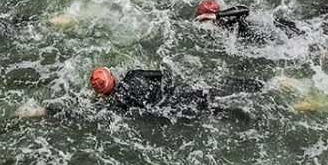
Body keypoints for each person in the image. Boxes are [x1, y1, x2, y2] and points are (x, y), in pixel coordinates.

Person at [86, 65, 262, 118]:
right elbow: (166, 75)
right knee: (221, 91)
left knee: (217, 112)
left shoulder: (116, 103)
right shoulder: (134, 75)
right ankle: (260, 86)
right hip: (179, 94)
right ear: (112, 77)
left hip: (173, 112)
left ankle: (251, 115)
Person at [194, 0, 300, 39]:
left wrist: (218, 14)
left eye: (202, 17)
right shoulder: (218, 24)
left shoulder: (229, 21)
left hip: (266, 39)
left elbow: (244, 9)